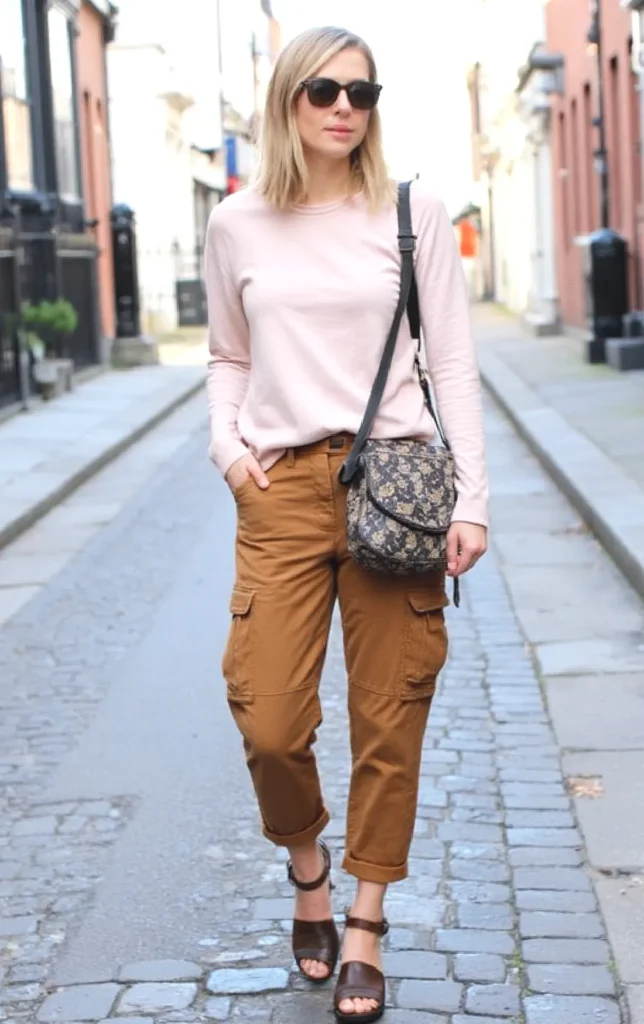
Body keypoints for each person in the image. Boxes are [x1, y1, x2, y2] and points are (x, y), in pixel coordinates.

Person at [204, 25, 488, 1023]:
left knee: (389, 710)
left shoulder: (411, 212)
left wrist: (473, 501)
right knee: (269, 715)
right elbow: (225, 357)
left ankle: (362, 917)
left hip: (396, 489)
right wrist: (229, 453)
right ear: (287, 98)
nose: (342, 108)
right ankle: (307, 868)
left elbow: (451, 362)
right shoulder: (237, 223)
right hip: (279, 488)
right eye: (322, 89)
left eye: (360, 93)